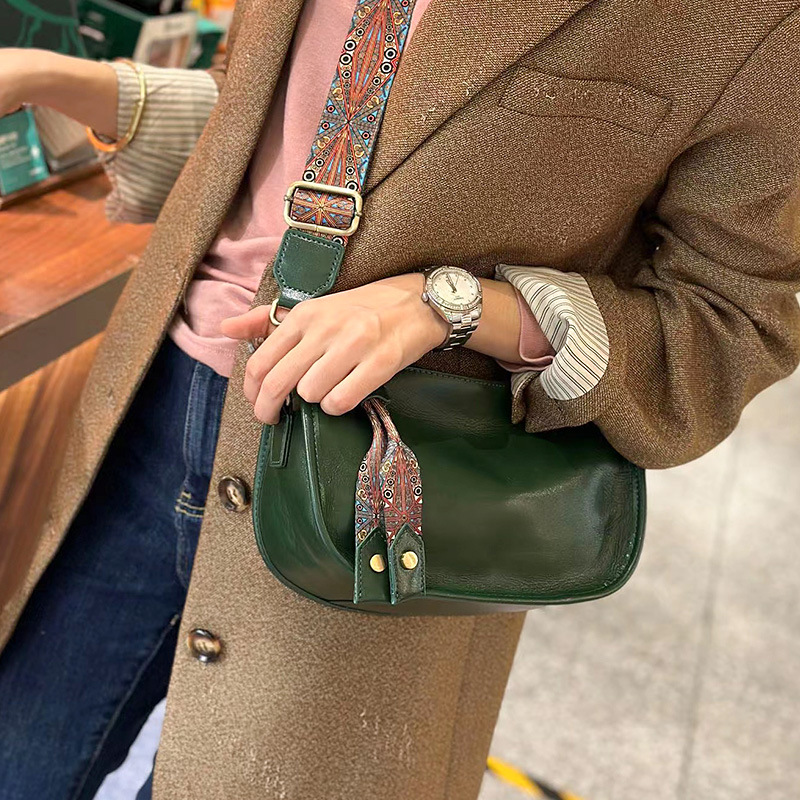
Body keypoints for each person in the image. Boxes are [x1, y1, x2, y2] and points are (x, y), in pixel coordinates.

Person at [0, 1, 799, 798]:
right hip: (152, 408)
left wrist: (456, 306)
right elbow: (281, 121)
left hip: (383, 483)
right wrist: (53, 79)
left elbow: (731, 319)